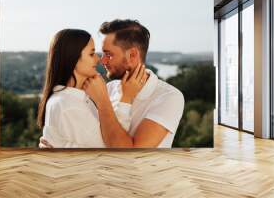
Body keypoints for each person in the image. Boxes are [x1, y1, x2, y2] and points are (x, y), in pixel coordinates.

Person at [40, 19, 185, 148]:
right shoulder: (107, 88)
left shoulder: (169, 97)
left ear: (132, 55)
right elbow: (86, 141)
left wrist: (105, 101)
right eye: (96, 54)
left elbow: (129, 155)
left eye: (108, 54)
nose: (101, 61)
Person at [37, 29, 145, 148]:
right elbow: (115, 150)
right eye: (91, 54)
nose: (98, 59)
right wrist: (126, 98)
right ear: (73, 58)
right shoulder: (69, 106)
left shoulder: (72, 99)